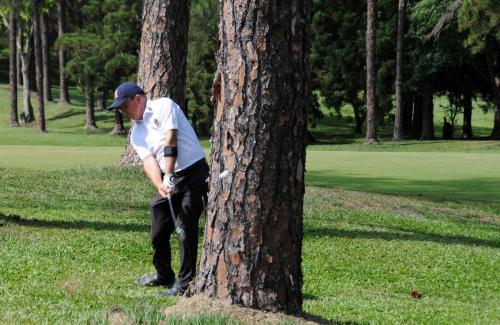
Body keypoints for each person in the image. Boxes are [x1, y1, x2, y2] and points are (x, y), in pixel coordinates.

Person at [108, 82, 209, 296]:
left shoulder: (164, 106)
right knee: (158, 225)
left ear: (138, 98)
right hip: (170, 179)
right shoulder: (137, 133)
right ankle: (164, 274)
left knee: (185, 227)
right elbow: (148, 161)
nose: (123, 111)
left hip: (195, 174)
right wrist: (160, 184)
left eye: (124, 106)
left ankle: (185, 284)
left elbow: (170, 139)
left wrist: (170, 174)